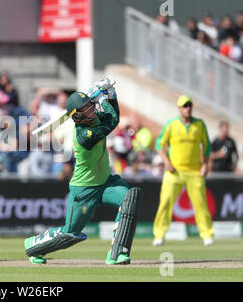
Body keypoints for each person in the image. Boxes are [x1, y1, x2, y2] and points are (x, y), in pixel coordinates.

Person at [24, 79, 142, 265]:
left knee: (130, 197)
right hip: (84, 189)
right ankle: (33, 245)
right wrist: (104, 99)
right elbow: (110, 124)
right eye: (86, 108)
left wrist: (111, 94)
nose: (91, 110)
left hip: (105, 182)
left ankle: (117, 252)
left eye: (90, 105)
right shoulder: (83, 135)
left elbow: (114, 118)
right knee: (70, 234)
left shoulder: (93, 119)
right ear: (77, 116)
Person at [152, 95, 214, 247]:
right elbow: (159, 145)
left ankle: (207, 234)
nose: (188, 108)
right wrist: (166, 162)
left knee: (201, 203)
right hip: (175, 171)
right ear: (179, 108)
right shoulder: (171, 125)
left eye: (189, 105)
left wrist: (205, 164)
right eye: (184, 106)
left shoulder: (199, 125)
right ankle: (159, 235)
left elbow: (206, 147)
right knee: (165, 202)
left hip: (194, 171)